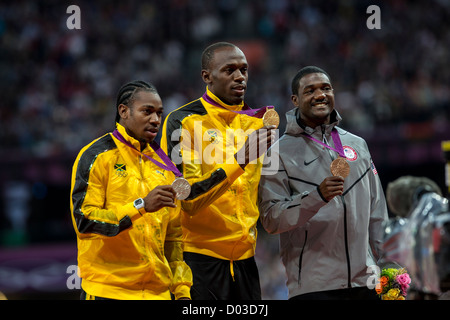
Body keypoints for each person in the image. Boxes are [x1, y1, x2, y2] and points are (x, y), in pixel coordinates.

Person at [258, 66, 388, 300]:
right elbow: (270, 219)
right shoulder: (275, 153)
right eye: (310, 91)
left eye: (325, 88)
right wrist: (316, 197)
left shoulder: (358, 144)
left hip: (365, 281)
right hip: (314, 286)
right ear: (295, 100)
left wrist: (388, 263)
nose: (320, 95)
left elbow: (377, 211)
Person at [160, 42, 276, 300]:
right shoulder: (183, 121)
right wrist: (240, 161)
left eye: (244, 70)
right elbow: (186, 198)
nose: (240, 77)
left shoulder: (258, 123)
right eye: (229, 70)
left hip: (246, 260)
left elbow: (267, 193)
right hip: (199, 259)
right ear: (206, 76)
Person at [70, 80, 192, 300]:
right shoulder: (96, 156)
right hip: (108, 290)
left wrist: (182, 291)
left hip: (158, 294)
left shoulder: (166, 167)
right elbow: (84, 221)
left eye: (159, 113)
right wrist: (141, 206)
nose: (155, 120)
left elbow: (173, 238)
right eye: (147, 111)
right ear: (123, 111)